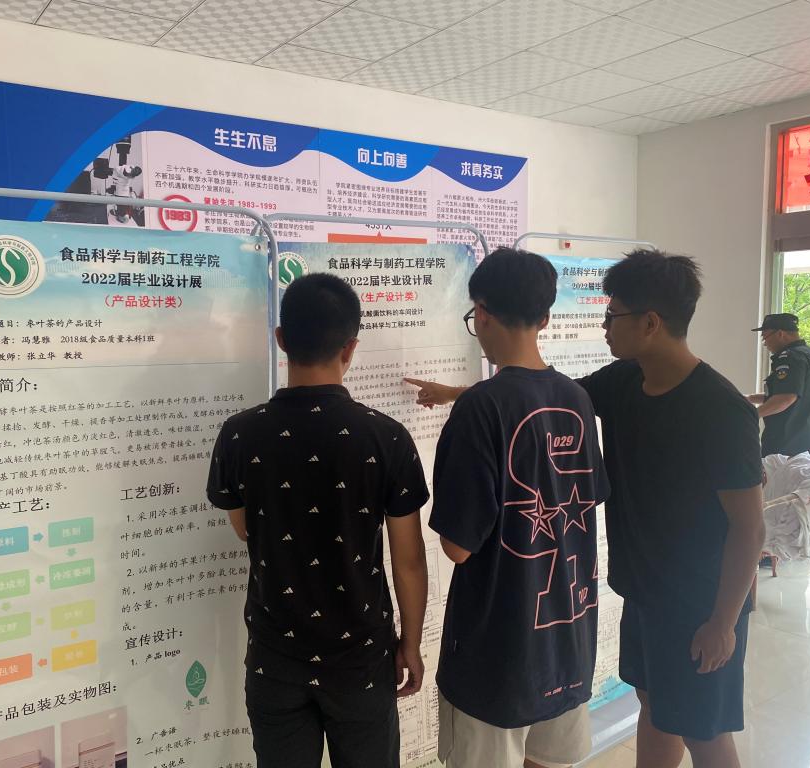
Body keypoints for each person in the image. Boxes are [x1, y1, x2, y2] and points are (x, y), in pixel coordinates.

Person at [406, 250, 765, 768]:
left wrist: (724, 622)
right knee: (655, 706)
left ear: (650, 322)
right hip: (642, 593)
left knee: (703, 729)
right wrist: (454, 393)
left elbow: (750, 530)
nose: (604, 327)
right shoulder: (621, 382)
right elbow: (533, 395)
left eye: (612, 316)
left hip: (699, 602)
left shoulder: (721, 409)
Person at [207, 273, 429, 768]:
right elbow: (409, 560)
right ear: (350, 348)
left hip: (275, 657)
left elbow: (245, 529)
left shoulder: (238, 434)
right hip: (361, 658)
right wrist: (410, 644)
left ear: (281, 339)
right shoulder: (387, 438)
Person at [410, 248, 609, 768]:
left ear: (481, 313)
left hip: (497, 650)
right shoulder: (577, 398)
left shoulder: (480, 407)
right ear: (545, 318)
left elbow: (457, 547)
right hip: (568, 638)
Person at [747, 313, 810, 457]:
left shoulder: (790, 357)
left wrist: (751, 415)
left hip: (789, 442)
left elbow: (785, 398)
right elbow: (792, 394)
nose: (765, 343)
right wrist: (749, 398)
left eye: (765, 337)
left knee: (777, 473)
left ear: (780, 334)